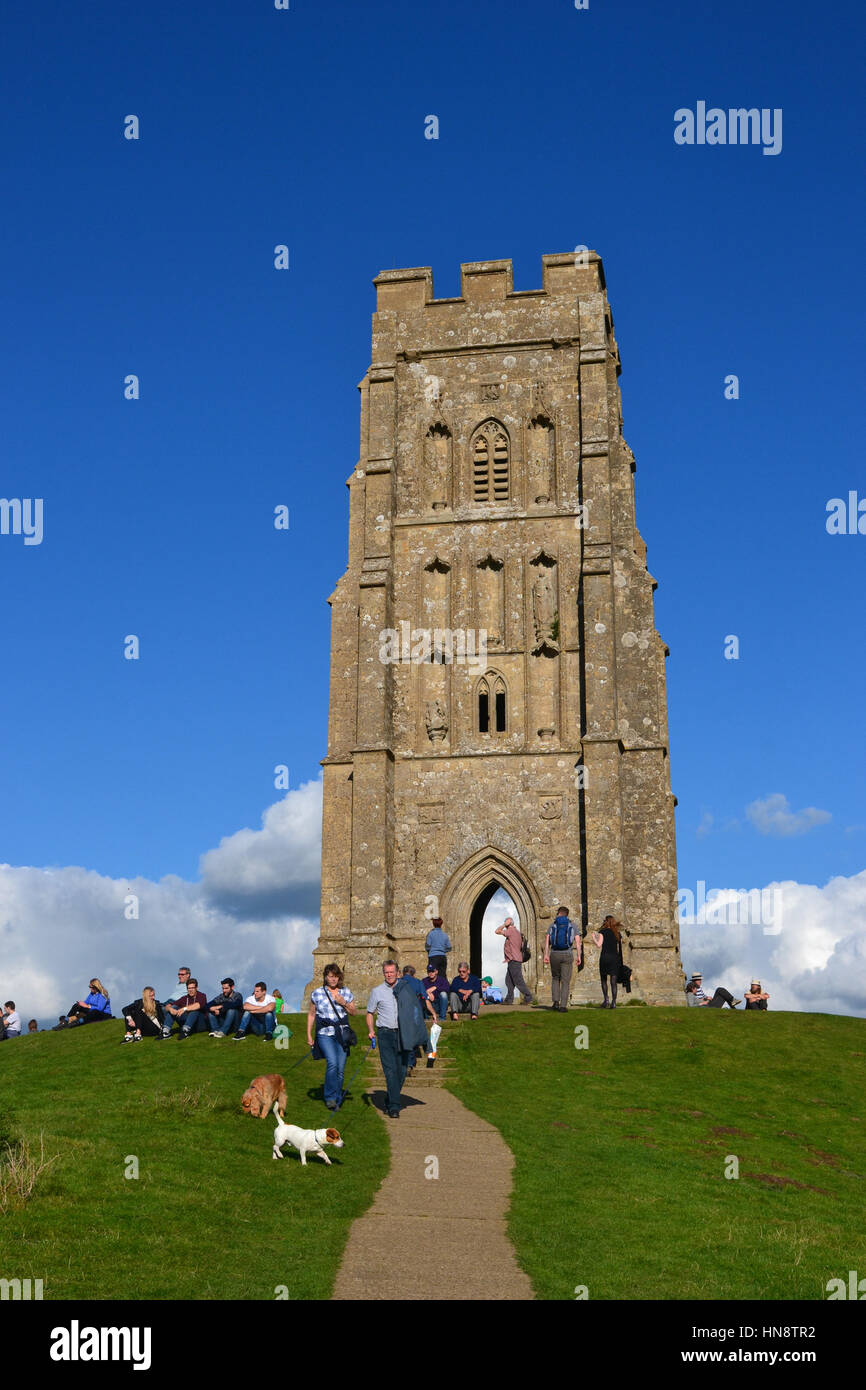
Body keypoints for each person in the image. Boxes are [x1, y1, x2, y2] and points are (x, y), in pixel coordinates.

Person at [308, 964, 357, 1111]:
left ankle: (336, 1098)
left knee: (341, 1069)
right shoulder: (317, 993)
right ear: (325, 977)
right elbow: (311, 1014)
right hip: (324, 1033)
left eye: (335, 976)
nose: (333, 979)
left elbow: (354, 1012)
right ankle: (329, 1097)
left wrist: (344, 1003)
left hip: (342, 1034)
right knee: (333, 1063)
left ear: (339, 977)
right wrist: (309, 1034)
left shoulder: (346, 992)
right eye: (330, 976)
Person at [366, 961, 410, 1118]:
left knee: (402, 1070)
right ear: (383, 973)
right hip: (385, 1034)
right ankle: (394, 1107)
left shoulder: (405, 988)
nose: (389, 975)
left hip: (403, 1035)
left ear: (398, 972)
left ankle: (391, 1097)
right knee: (390, 1071)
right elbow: (370, 1013)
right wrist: (371, 1030)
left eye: (392, 972)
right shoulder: (377, 991)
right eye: (386, 972)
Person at [544, 905, 581, 1012]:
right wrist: (579, 956)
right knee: (565, 981)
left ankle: (555, 1002)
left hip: (554, 954)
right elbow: (577, 943)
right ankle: (563, 1006)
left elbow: (547, 942)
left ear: (558, 913)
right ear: (567, 914)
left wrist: (546, 955)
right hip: (567, 954)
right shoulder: (572, 925)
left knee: (556, 978)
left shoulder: (552, 925)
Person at [399, 965, 436, 1068]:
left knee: (407, 1035)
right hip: (415, 1010)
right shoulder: (418, 982)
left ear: (403, 973)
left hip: (402, 1010)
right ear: (414, 974)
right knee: (422, 1032)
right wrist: (433, 1013)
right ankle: (430, 1054)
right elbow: (426, 999)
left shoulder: (398, 982)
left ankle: (410, 1063)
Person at [495, 916, 534, 1006]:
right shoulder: (516, 932)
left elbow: (497, 931)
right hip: (513, 960)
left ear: (509, 923)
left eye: (505, 921)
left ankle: (528, 997)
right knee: (509, 981)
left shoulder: (511, 931)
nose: (504, 922)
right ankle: (509, 999)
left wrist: (504, 925)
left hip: (514, 960)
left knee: (518, 980)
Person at [591, 916, 625, 1009]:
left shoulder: (603, 932)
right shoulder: (617, 933)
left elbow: (599, 945)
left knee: (603, 980)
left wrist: (594, 937)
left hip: (605, 957)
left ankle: (606, 1000)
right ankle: (614, 1002)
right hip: (615, 958)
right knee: (613, 982)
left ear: (606, 922)